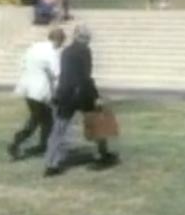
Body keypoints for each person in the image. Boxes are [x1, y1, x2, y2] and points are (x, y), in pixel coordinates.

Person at [45, 24, 116, 176]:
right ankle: (103, 154)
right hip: (82, 93)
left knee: (59, 129)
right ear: (86, 39)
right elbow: (85, 76)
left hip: (65, 94)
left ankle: (52, 164)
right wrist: (96, 96)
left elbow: (65, 76)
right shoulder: (85, 51)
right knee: (97, 124)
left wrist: (58, 94)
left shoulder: (66, 52)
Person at [8, 27, 66, 160]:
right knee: (43, 121)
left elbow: (22, 63)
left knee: (39, 119)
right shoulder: (52, 52)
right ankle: (17, 143)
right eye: (61, 43)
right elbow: (57, 74)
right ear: (58, 40)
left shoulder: (35, 46)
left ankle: (41, 145)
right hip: (39, 91)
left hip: (27, 88)